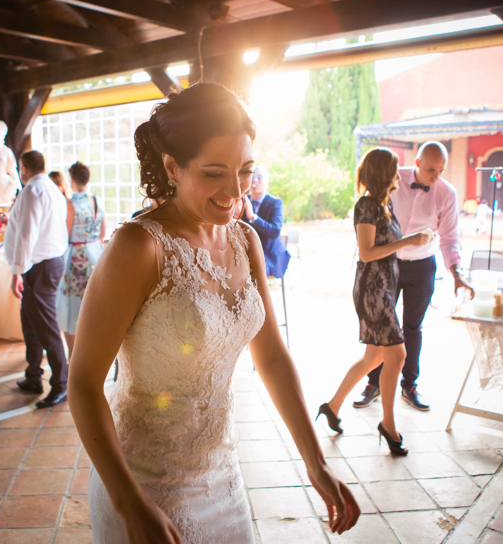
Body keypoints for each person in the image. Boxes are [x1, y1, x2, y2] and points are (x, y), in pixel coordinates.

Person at [68, 83, 359, 544]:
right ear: (171, 167)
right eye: (214, 172)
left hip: (223, 478)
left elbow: (272, 356)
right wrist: (130, 505)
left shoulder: (246, 241)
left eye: (245, 170)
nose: (235, 190)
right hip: (141, 487)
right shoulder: (139, 248)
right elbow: (83, 384)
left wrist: (315, 460)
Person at [317, 148, 430, 456]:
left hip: (385, 289)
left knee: (374, 358)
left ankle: (332, 406)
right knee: (397, 355)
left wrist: (411, 242)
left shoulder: (385, 205)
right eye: (394, 170)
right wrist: (408, 241)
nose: (398, 175)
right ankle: (389, 425)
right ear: (383, 173)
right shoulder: (367, 205)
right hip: (373, 290)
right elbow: (367, 253)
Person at [354, 141, 474, 411]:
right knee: (380, 328)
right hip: (388, 265)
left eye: (441, 171)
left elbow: (450, 237)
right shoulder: (392, 178)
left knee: (412, 327)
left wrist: (456, 272)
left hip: (422, 266)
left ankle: (409, 385)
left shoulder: (447, 193)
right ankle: (373, 383)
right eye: (432, 169)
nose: (436, 176)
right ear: (418, 163)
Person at [5, 150, 69, 408]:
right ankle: (33, 376)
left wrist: (16, 271)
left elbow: (26, 234)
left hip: (38, 266)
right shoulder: (52, 188)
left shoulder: (33, 191)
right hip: (45, 263)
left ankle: (61, 385)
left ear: (23, 169)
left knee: (44, 325)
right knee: (30, 321)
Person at [56, 162, 105, 358]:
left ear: (72, 180)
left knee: (71, 306)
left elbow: (65, 234)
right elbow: (102, 232)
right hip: (95, 253)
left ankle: (73, 355)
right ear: (88, 179)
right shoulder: (96, 200)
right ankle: (93, 351)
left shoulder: (70, 204)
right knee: (93, 303)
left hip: (76, 256)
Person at [242, 166, 291, 278]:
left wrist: (252, 216)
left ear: (267, 183)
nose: (255, 181)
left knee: (254, 270)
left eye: (259, 178)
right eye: (252, 177)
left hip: (270, 255)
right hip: (250, 253)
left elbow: (274, 231)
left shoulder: (276, 202)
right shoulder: (243, 200)